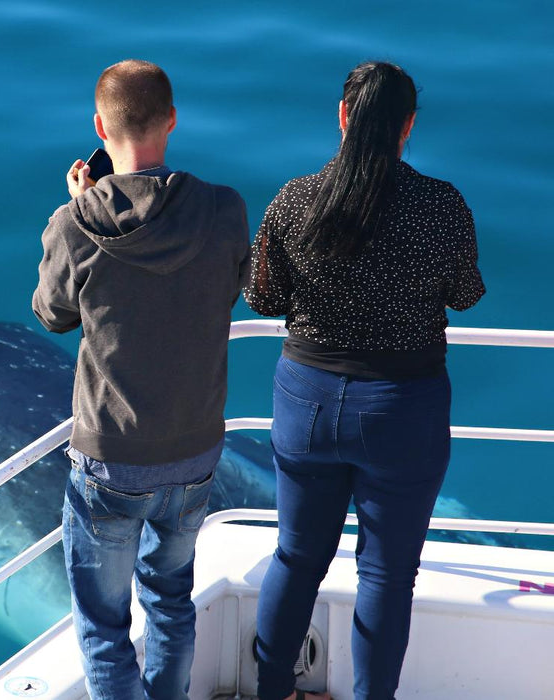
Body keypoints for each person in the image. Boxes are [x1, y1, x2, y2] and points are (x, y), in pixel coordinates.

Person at [245, 61, 486, 700]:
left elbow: (263, 299)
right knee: (385, 576)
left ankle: (273, 692)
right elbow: (465, 296)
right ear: (407, 127)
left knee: (295, 559)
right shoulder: (442, 205)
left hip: (307, 402)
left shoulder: (296, 198)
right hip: (403, 409)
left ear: (344, 117)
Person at [32, 59, 251, 700]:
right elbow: (235, 283)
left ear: (100, 127)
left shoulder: (77, 225)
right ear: (172, 121)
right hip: (195, 448)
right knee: (171, 601)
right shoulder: (223, 208)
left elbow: (51, 314)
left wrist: (78, 208)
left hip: (111, 460)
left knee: (103, 627)